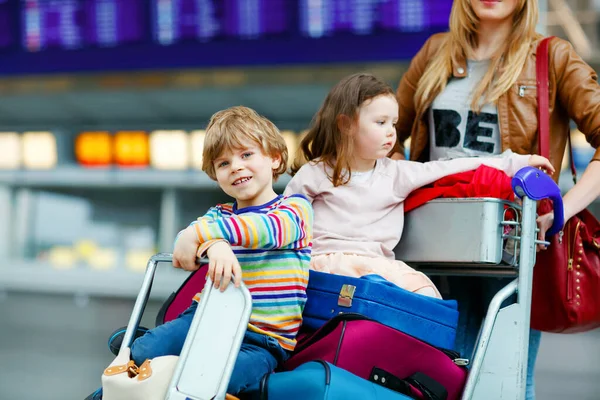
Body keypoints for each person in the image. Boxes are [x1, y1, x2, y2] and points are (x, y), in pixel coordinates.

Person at [392, 0, 600, 398]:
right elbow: (385, 136)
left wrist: (562, 209)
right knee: (438, 376)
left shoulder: (550, 56)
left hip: (511, 243)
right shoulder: (435, 52)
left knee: (505, 378)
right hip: (433, 241)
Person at [85, 106, 313, 399]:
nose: (236, 167)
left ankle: (163, 355)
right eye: (224, 163)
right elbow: (184, 243)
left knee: (211, 381)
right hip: (204, 318)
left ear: (274, 157)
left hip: (263, 340)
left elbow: (265, 230)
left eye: (246, 155)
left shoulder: (294, 209)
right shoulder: (216, 215)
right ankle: (146, 351)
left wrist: (206, 236)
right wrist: (213, 244)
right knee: (141, 355)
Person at [285, 72, 553, 300]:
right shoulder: (314, 173)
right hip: (324, 265)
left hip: (379, 269)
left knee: (428, 296)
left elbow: (455, 166)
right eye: (380, 123)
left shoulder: (398, 173)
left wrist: (516, 162)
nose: (392, 132)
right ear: (345, 124)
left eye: (393, 123)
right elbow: (283, 224)